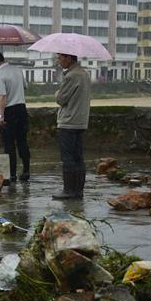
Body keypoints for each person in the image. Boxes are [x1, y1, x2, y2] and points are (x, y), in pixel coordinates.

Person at [0, 50, 30, 183]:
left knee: (9, 144)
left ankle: (12, 175)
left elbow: (2, 97)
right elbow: (25, 87)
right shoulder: (17, 69)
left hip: (10, 111)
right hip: (22, 109)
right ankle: (26, 171)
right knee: (22, 141)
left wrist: (1, 116)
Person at [52, 53, 91, 200]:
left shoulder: (72, 76)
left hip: (68, 121)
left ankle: (68, 190)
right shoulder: (84, 74)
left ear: (69, 58)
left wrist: (57, 93)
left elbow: (61, 99)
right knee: (78, 158)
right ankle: (78, 191)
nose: (59, 60)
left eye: (60, 57)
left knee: (68, 158)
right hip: (80, 121)